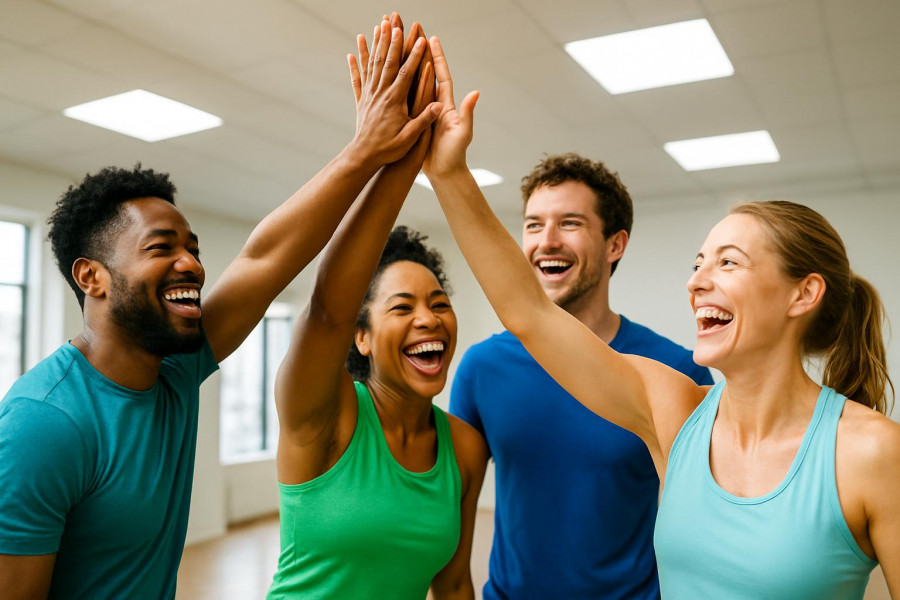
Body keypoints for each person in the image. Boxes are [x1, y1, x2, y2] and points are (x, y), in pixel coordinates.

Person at [422, 36, 899, 599]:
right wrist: (451, 174)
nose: (698, 281)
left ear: (803, 293)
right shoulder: (674, 411)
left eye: (728, 262)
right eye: (698, 263)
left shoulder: (871, 452)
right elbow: (528, 312)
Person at [0, 18, 441, 598]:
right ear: (93, 277)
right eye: (162, 248)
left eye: (193, 249)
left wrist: (388, 154)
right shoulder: (43, 423)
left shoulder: (173, 368)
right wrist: (366, 152)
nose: (191, 265)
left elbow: (266, 258)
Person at [266, 19, 486, 600]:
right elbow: (326, 312)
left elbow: (455, 582)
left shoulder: (464, 446)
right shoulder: (323, 412)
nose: (428, 318)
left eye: (439, 303)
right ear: (360, 337)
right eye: (402, 306)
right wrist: (399, 157)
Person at [450, 152, 711, 599]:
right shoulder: (481, 368)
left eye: (569, 223)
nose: (546, 240)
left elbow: (702, 528)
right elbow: (450, 515)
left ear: (615, 244)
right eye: (533, 224)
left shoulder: (676, 369)